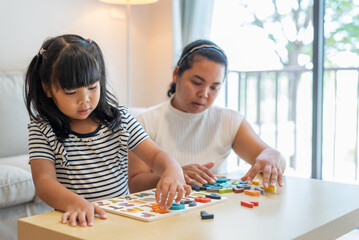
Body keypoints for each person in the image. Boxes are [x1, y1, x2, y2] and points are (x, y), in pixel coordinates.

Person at [25, 34, 190, 227]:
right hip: (77, 222)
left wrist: (173, 170)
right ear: (47, 88)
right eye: (71, 92)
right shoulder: (42, 129)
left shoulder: (120, 121)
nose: (84, 99)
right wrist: (76, 203)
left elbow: (156, 156)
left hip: (122, 220)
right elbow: (44, 182)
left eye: (92, 87)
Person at [128, 39, 286, 193]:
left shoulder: (229, 121)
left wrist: (273, 155)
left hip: (214, 211)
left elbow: (271, 159)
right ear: (176, 74)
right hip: (164, 212)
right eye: (197, 82)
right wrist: (174, 174)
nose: (204, 94)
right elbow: (135, 183)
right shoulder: (146, 121)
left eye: (214, 87)